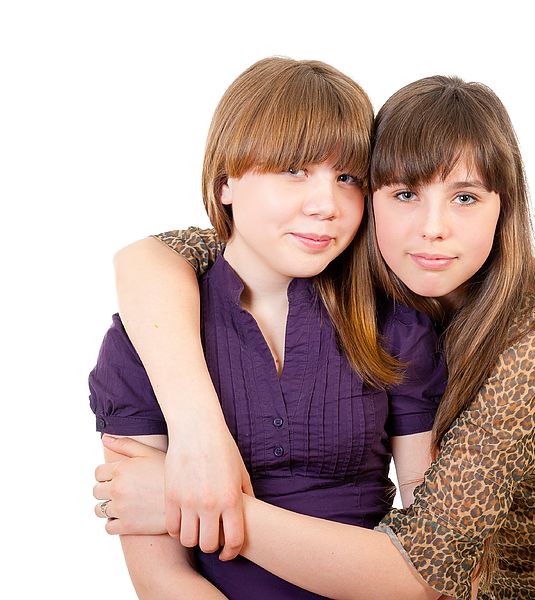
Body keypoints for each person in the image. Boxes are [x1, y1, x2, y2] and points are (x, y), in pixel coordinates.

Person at [95, 75, 535, 599]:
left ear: (505, 208)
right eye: (405, 193)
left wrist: (201, 505)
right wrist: (199, 443)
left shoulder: (533, 348)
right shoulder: (322, 255)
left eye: (465, 197)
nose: (433, 228)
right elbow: (157, 257)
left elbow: (421, 571)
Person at [89, 57, 445, 599]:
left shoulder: (395, 322)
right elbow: (163, 578)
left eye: (348, 177)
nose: (326, 205)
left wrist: (199, 501)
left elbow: (431, 556)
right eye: (294, 170)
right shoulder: (150, 334)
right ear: (226, 180)